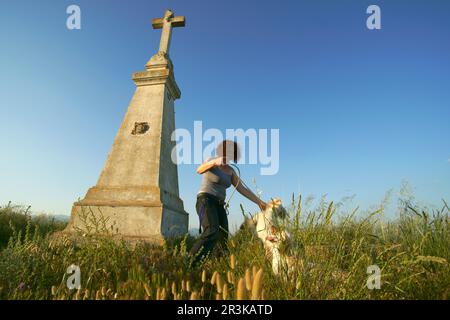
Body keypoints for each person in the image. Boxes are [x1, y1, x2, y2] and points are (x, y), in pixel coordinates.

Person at [189, 140, 267, 266]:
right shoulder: (211, 160)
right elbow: (199, 170)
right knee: (211, 230)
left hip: (219, 205)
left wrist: (259, 202)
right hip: (205, 200)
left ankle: (216, 267)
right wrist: (214, 162)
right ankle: (190, 262)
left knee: (222, 237)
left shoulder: (231, 171)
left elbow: (242, 188)